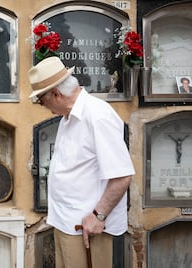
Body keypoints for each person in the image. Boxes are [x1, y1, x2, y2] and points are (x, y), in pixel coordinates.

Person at [28, 57, 135, 268]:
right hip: (66, 223)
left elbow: (122, 175)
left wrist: (98, 215)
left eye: (41, 100)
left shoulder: (97, 115)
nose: (43, 106)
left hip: (86, 228)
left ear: (56, 94)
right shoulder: (68, 118)